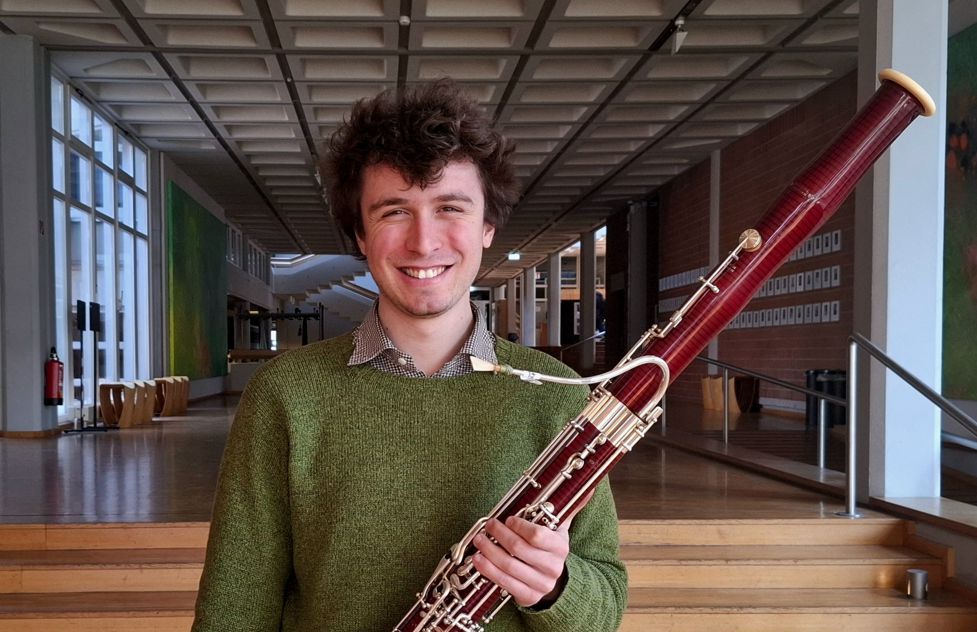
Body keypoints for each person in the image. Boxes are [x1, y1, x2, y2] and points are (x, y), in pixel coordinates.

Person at [191, 80, 627, 632]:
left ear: (488, 227)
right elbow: (233, 609)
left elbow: (606, 605)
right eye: (394, 211)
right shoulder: (285, 393)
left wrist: (555, 589)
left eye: (450, 208)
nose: (423, 242)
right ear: (360, 234)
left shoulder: (558, 394)